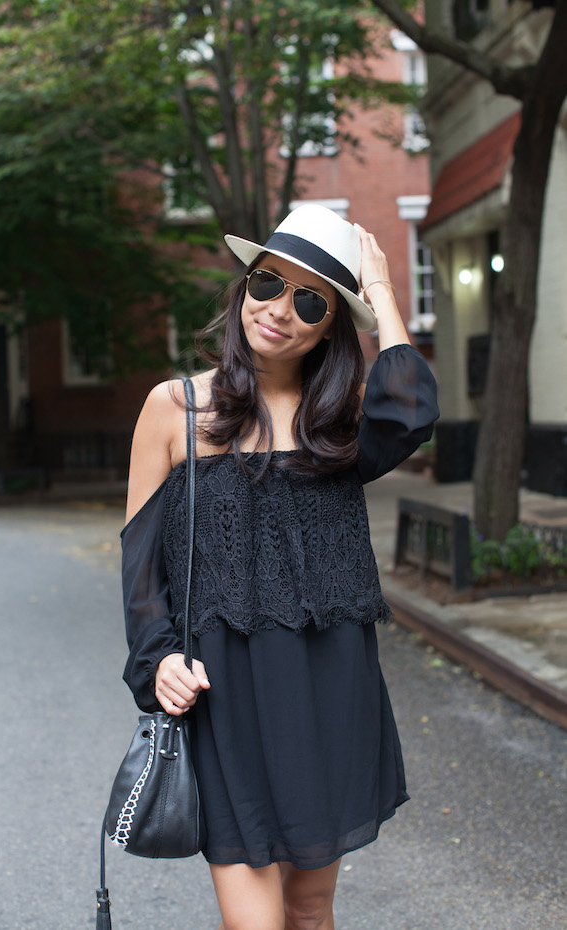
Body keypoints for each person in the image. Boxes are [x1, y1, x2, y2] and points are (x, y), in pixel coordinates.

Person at [121, 204, 439, 930]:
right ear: (242, 288)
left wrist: (382, 295)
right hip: (224, 694)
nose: (280, 311)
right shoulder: (175, 407)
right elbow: (139, 563)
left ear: (331, 324)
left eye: (310, 301)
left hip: (330, 686)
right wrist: (157, 658)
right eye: (267, 284)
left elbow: (413, 409)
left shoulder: (340, 417)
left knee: (309, 910)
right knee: (254, 922)